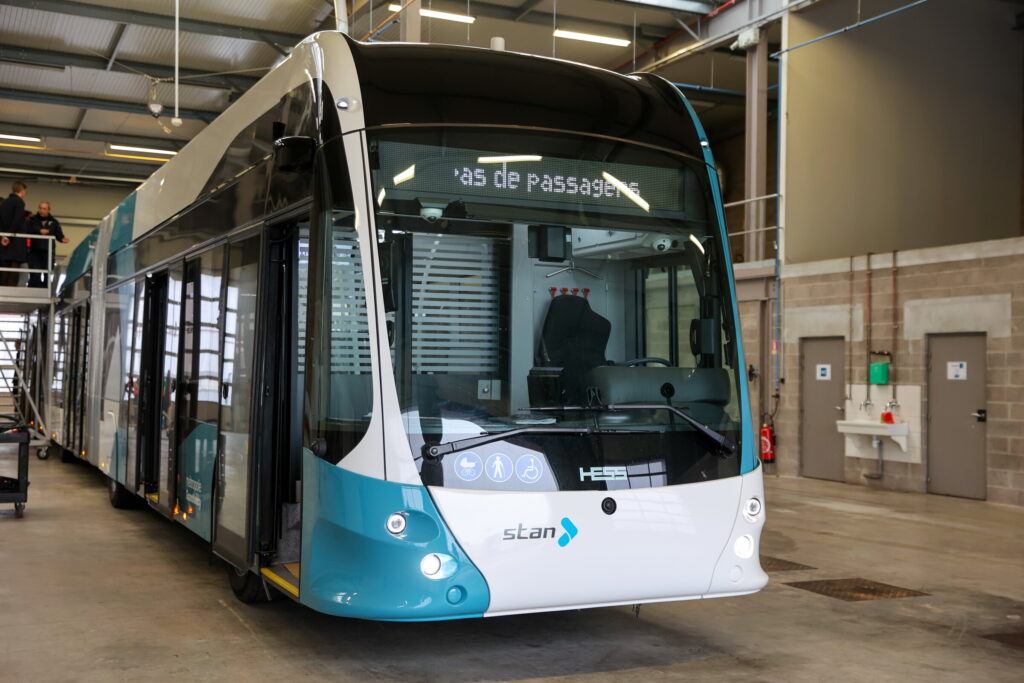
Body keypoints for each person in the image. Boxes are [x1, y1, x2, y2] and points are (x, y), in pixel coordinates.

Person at [27, 201, 68, 288]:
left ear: (49, 210)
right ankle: (34, 290)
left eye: (44, 209)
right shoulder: (32, 220)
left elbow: (59, 234)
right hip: (35, 251)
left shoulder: (54, 222)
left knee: (47, 274)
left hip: (48, 252)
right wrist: (39, 231)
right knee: (35, 274)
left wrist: (62, 239)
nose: (42, 210)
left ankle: (46, 290)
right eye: (40, 208)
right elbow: (28, 230)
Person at [0, 181, 29, 287]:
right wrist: (8, 235)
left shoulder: (5, 202)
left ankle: (3, 288)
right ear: (22, 191)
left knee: (5, 267)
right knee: (14, 267)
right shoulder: (19, 202)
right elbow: (17, 220)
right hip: (16, 240)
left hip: (4, 239)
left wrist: (4, 235)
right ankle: (11, 289)